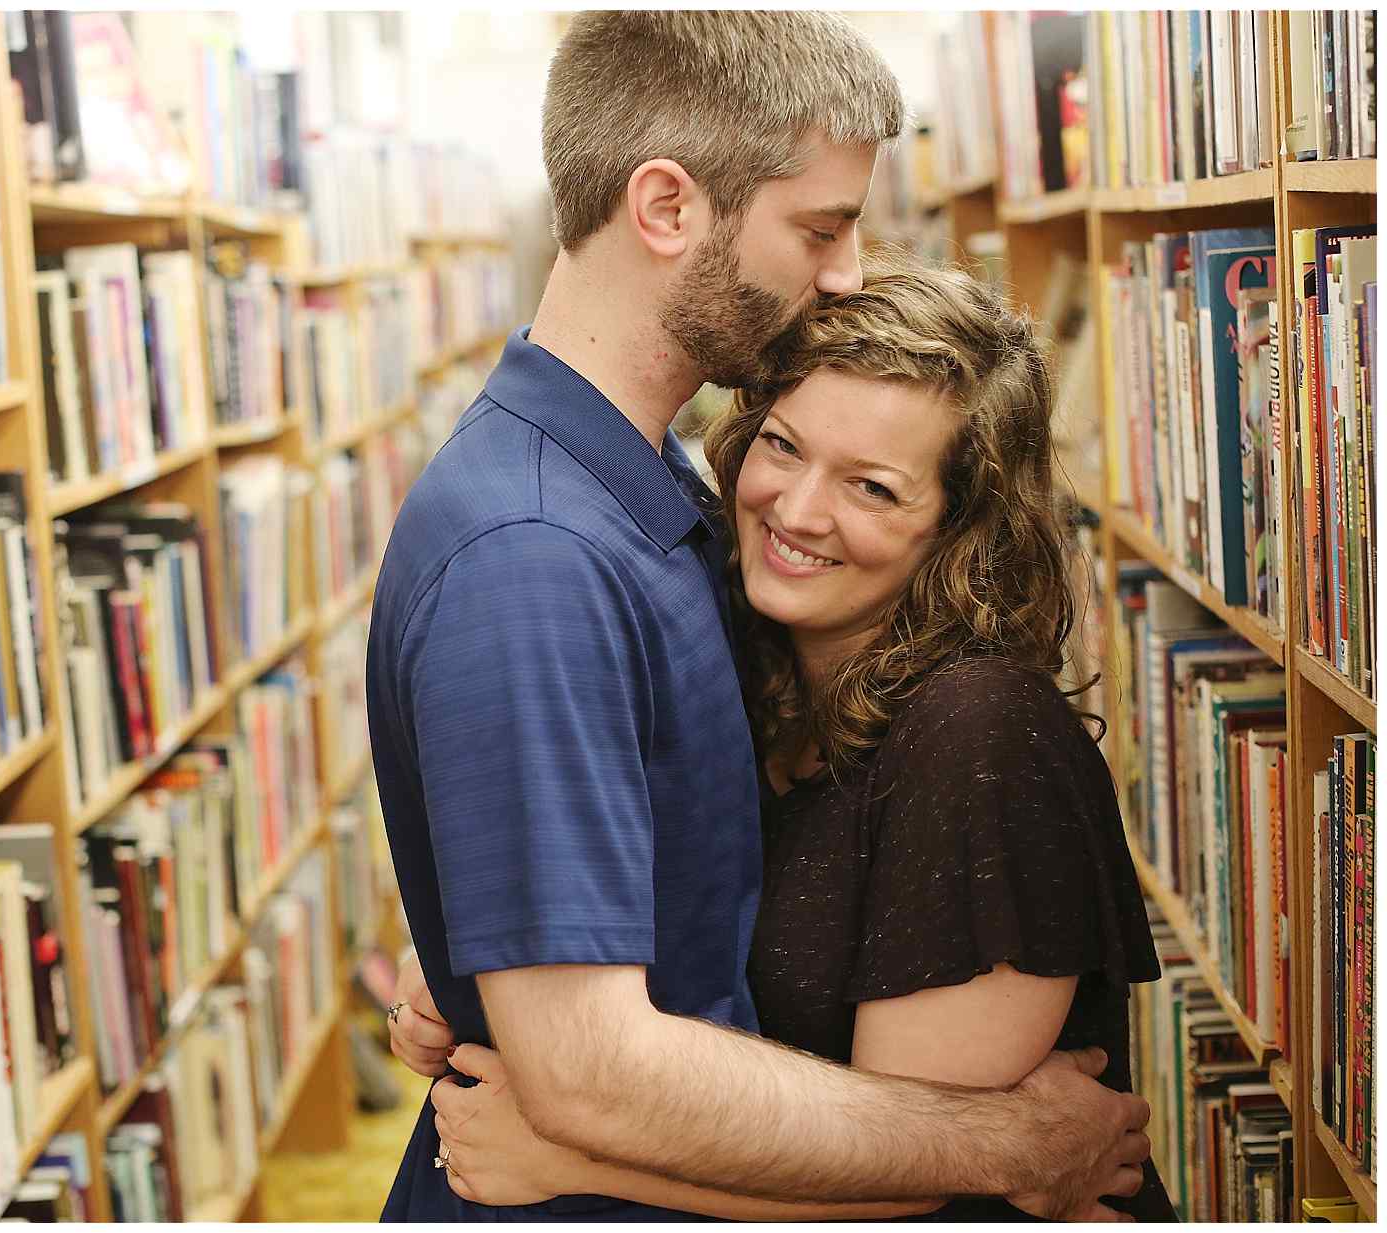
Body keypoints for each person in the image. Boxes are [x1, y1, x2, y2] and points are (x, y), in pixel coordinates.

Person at [366, 11, 1151, 1224]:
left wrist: (508, 948)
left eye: (877, 486)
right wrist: (1003, 1141)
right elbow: (589, 1061)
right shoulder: (537, 552)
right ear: (669, 208)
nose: (842, 272)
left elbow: (661, 860)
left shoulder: (657, 497)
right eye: (821, 229)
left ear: (956, 524)